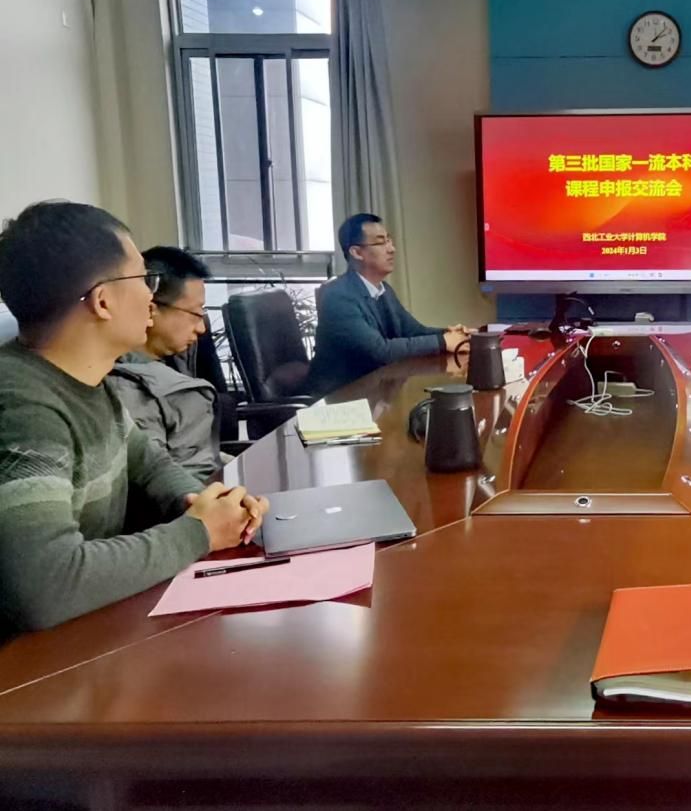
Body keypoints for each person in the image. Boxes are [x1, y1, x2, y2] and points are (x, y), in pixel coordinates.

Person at [0, 201, 268, 634]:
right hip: (37, 660)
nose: (151, 296)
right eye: (144, 279)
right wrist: (199, 532)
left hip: (93, 626)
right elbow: (46, 586)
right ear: (103, 302)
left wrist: (211, 504)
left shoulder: (88, 378)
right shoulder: (22, 408)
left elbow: (148, 462)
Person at [307, 213, 469, 396]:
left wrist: (453, 334)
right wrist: (443, 342)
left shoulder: (383, 290)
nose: (392, 249)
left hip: (372, 392)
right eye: (381, 242)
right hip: (338, 398)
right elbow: (379, 351)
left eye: (389, 240)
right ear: (357, 252)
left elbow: (413, 331)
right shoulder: (338, 296)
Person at [108, 247, 219, 481]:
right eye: (195, 313)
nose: (201, 328)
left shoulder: (175, 360)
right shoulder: (128, 388)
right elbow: (152, 481)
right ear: (150, 308)